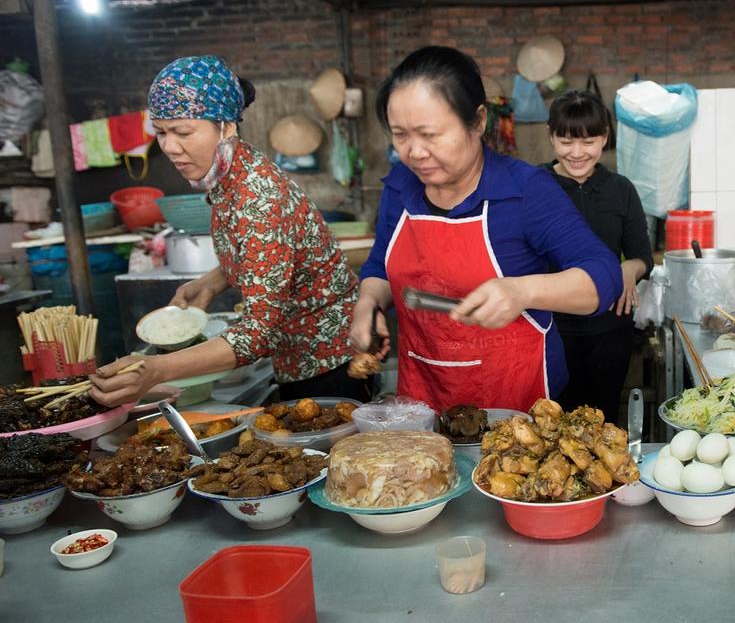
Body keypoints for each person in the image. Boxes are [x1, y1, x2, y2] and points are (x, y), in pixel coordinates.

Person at [90, 55, 379, 407]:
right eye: (161, 132)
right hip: (295, 356)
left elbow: (255, 335)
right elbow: (260, 255)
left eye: (182, 132)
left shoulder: (258, 197)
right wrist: (211, 282)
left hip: (329, 363)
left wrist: (155, 369)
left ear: (226, 127)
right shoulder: (228, 176)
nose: (169, 147)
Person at [349, 46, 623, 413]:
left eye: (430, 134)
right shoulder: (400, 187)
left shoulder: (526, 191)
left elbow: (604, 279)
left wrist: (522, 290)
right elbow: (380, 266)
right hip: (422, 399)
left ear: (478, 121)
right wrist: (369, 302)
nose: (414, 152)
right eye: (400, 135)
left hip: (518, 410)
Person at [543, 90, 653, 424]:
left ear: (604, 139)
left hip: (608, 329)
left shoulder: (621, 189)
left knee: (600, 419)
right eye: (566, 141)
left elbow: (642, 256)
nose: (577, 153)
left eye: (588, 142)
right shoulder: (534, 186)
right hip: (548, 330)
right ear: (551, 138)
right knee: (549, 422)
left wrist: (628, 269)